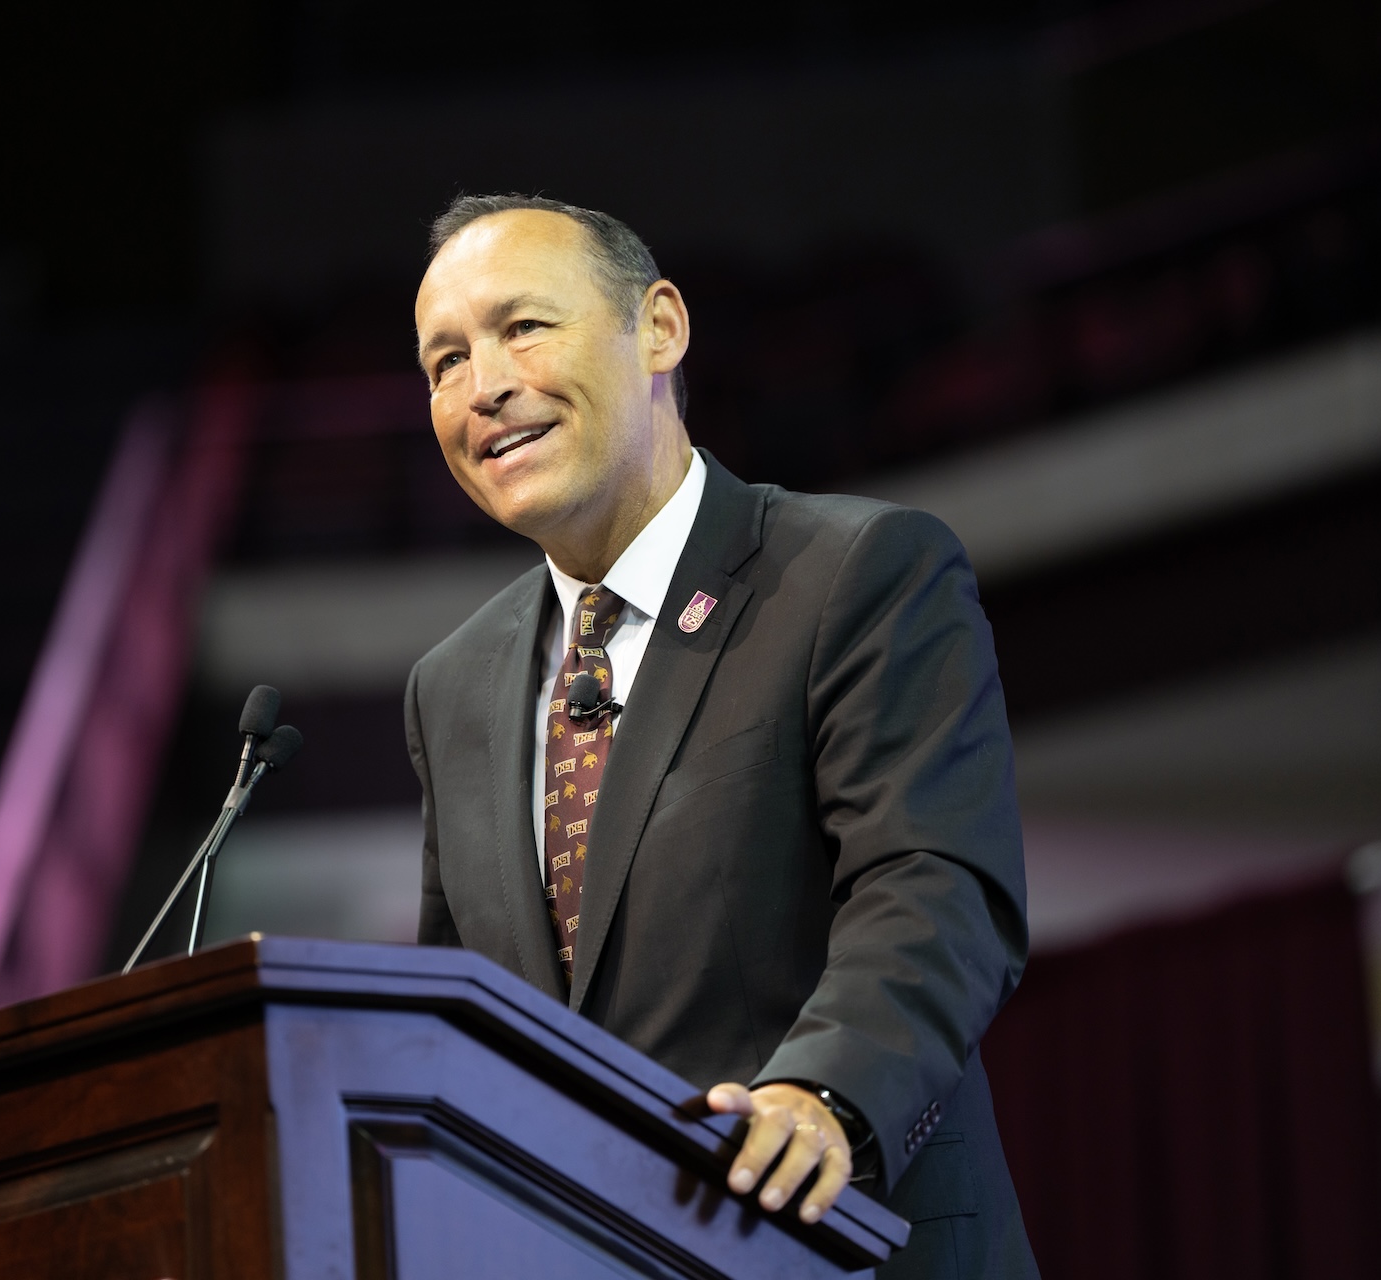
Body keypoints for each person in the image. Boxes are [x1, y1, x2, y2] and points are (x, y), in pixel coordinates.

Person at [406, 194, 1036, 1276]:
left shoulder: (857, 571)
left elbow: (934, 883)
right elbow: (463, 1021)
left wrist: (821, 1092)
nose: (484, 385)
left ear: (658, 327)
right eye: (443, 362)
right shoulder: (450, 686)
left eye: (523, 327)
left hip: (841, 1245)